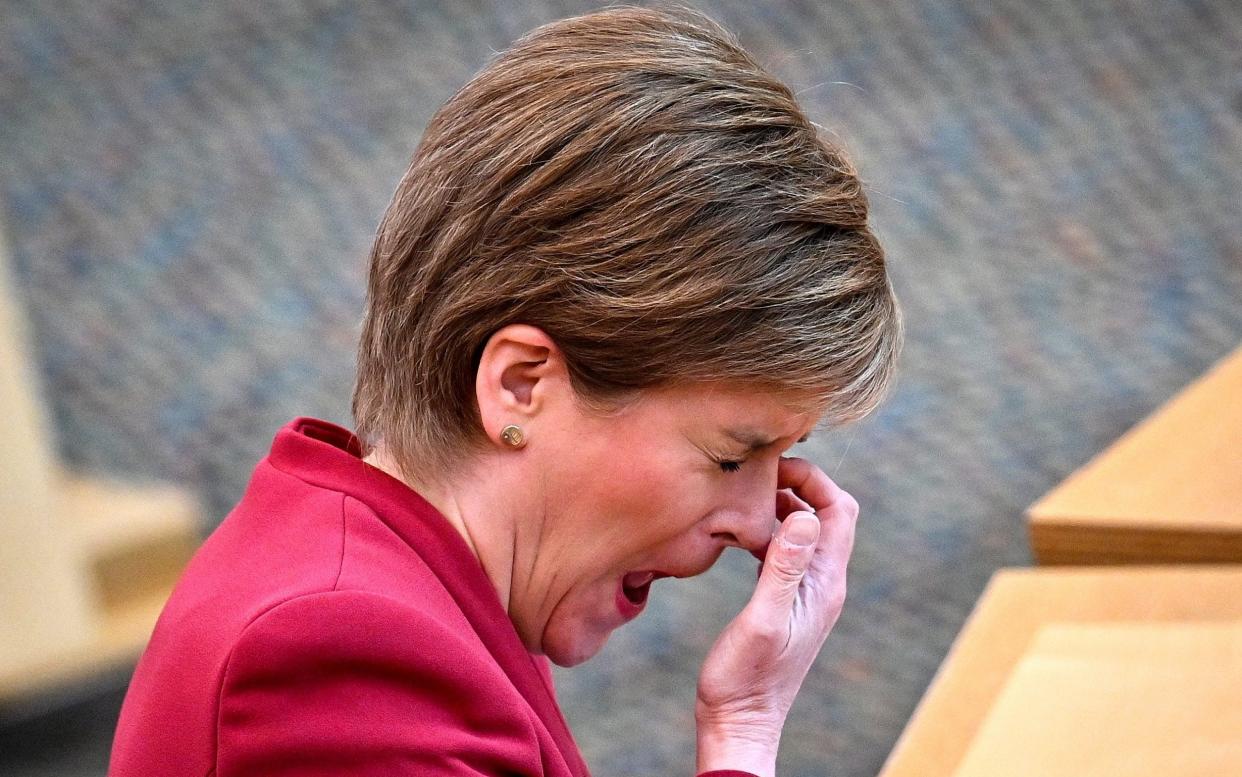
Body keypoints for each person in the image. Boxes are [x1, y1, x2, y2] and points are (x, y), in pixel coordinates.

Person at [110, 6, 901, 777]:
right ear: (521, 386)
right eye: (733, 456)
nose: (762, 525)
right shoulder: (335, 665)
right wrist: (742, 737)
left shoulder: (413, 587)